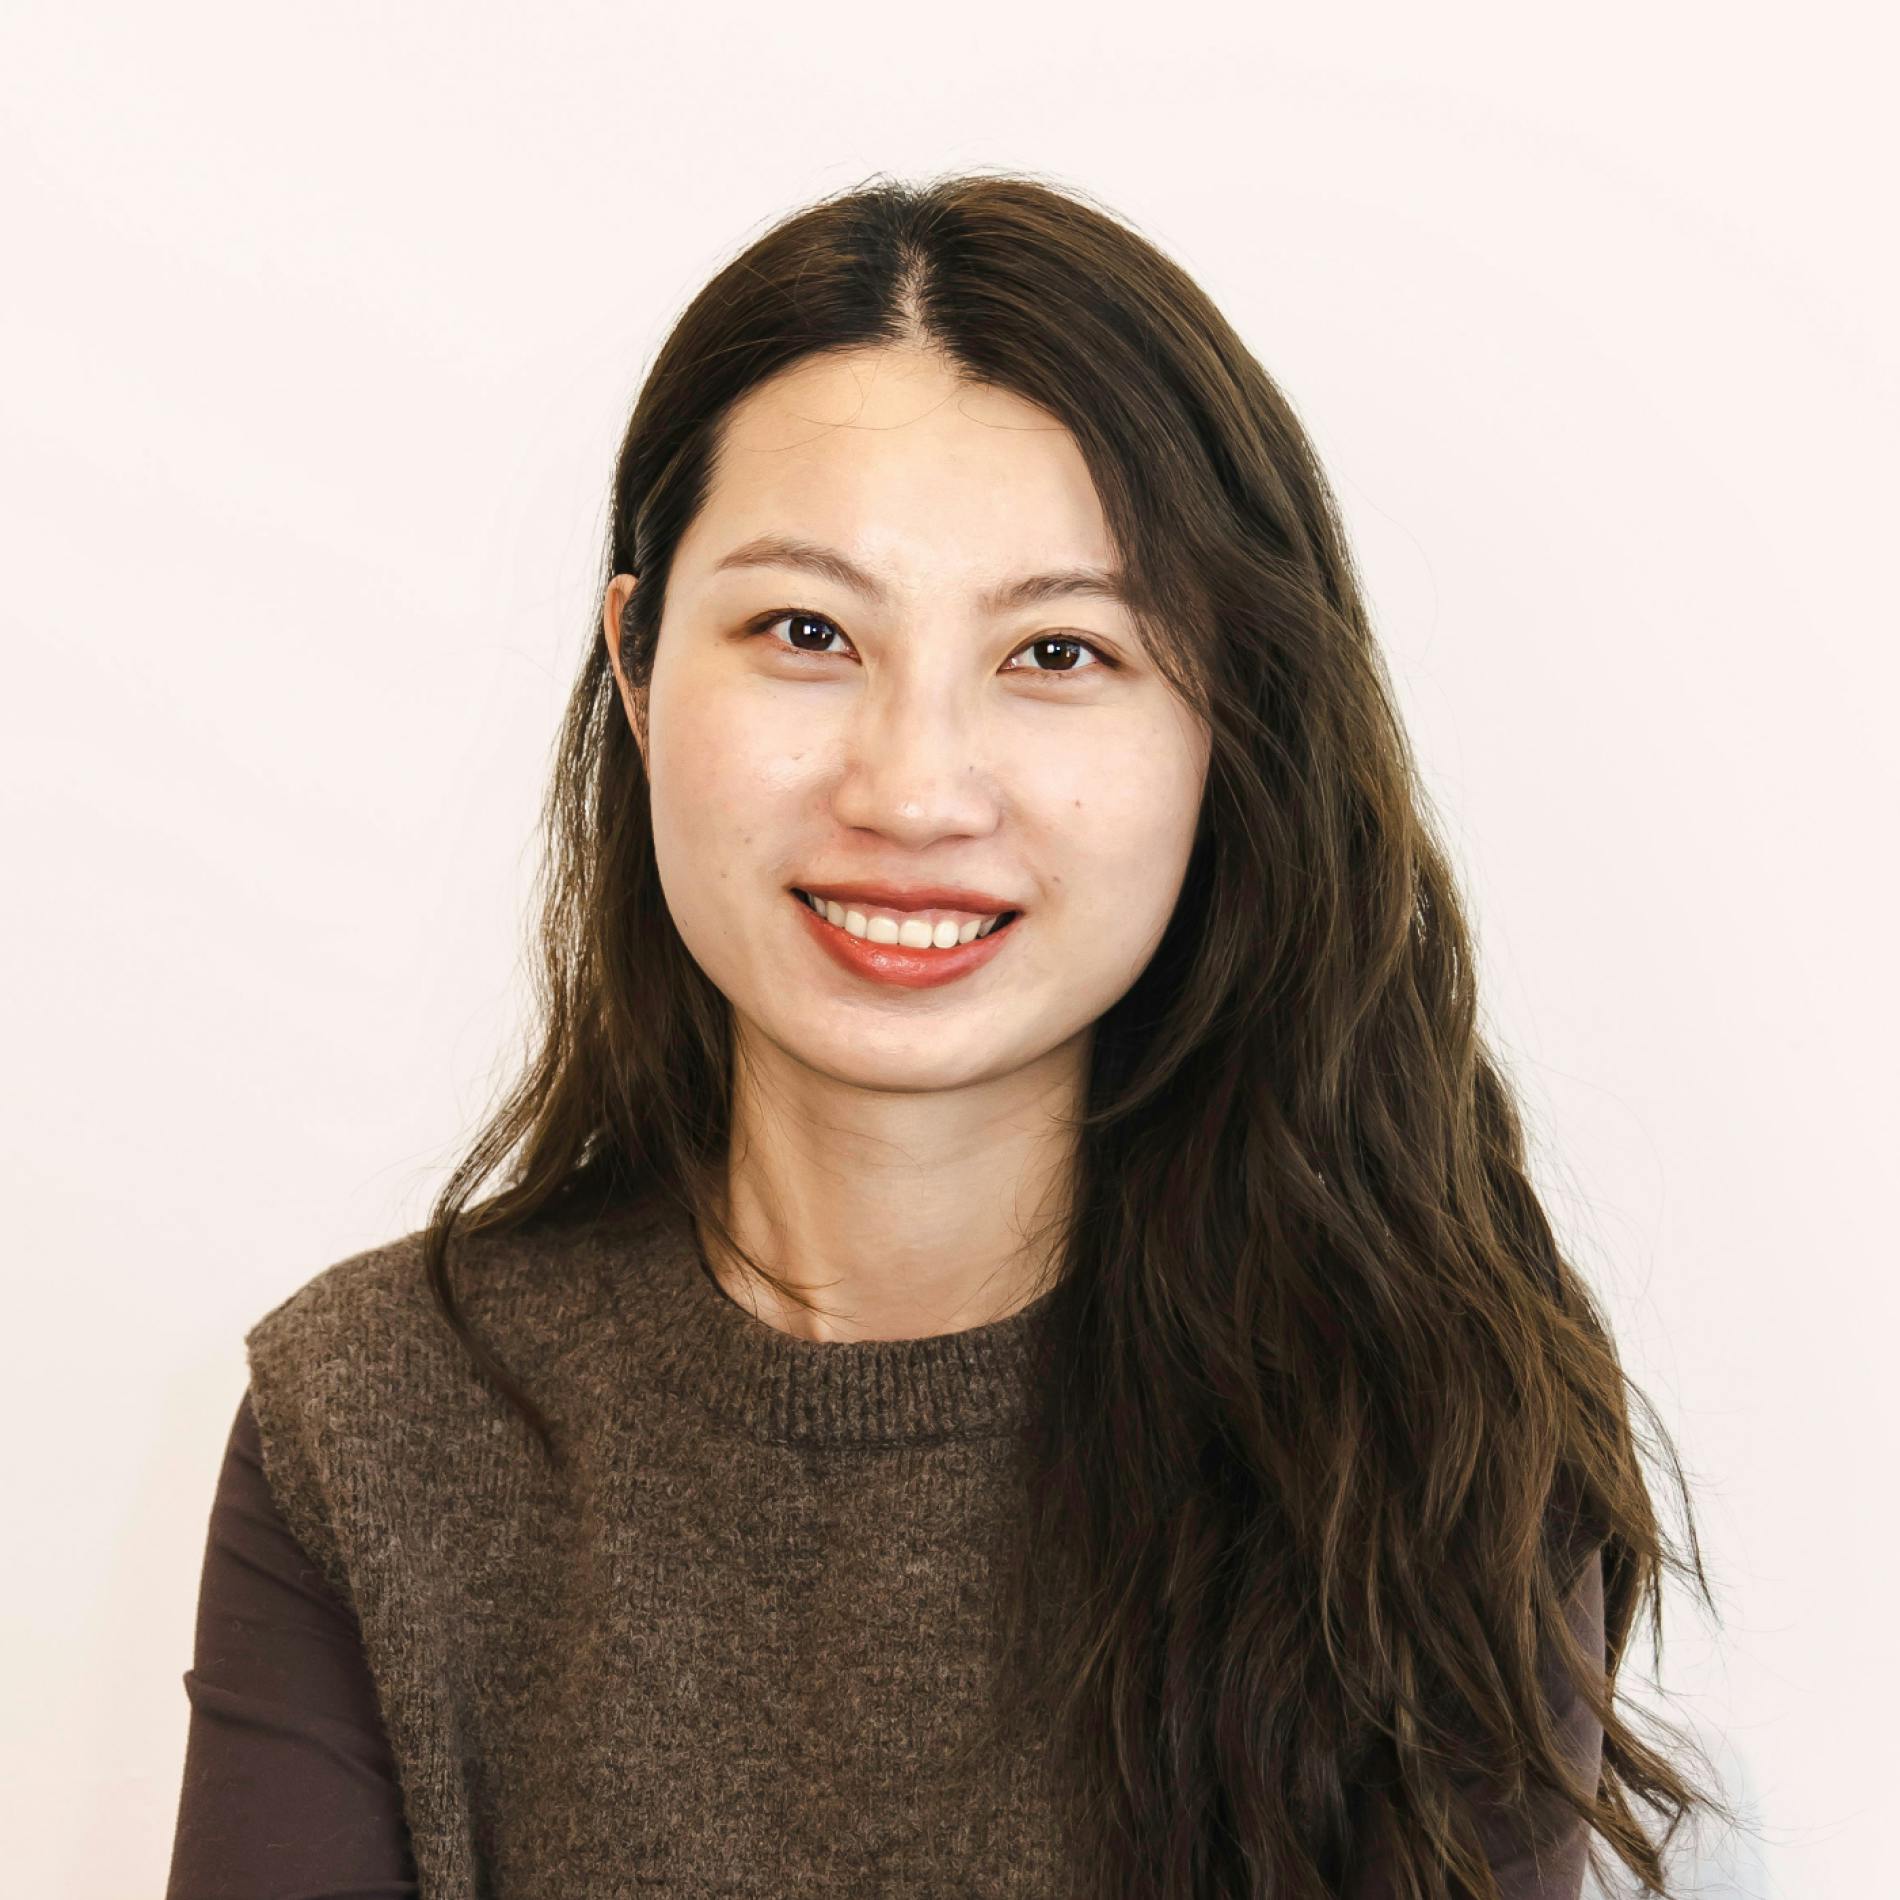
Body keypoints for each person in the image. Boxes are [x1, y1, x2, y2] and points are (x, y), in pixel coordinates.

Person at [166, 171, 1731, 1899]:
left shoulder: (1420, 1439)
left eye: (1058, 651)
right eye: (806, 632)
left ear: (1230, 724)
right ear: (636, 665)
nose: (913, 790)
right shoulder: (376, 1421)